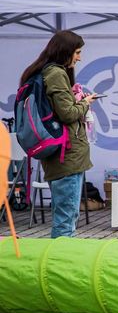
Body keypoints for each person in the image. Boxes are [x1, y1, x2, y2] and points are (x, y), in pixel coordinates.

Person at [20, 30, 96, 238]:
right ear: (65, 51)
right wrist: (85, 103)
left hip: (62, 154)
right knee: (66, 220)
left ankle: (61, 260)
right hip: (67, 156)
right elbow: (68, 113)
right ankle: (60, 265)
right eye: (77, 52)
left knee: (66, 215)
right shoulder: (55, 74)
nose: (79, 57)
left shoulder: (44, 72)